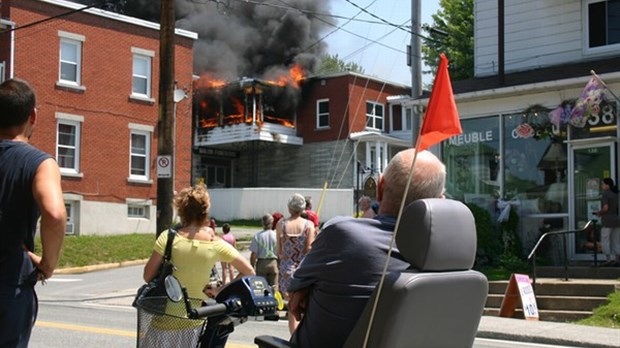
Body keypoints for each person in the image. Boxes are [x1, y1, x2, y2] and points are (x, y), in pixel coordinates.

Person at [287, 149, 446, 348]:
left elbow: (293, 294)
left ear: (379, 188)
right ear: (440, 203)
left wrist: (306, 288)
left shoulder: (342, 236)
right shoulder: (450, 261)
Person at [0, 78, 67, 347]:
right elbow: (54, 214)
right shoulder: (39, 163)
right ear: (33, 116)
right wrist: (48, 264)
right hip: (9, 285)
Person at [142, 185, 254, 344]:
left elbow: (147, 276)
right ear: (205, 211)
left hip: (163, 319)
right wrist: (219, 290)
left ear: (181, 210)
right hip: (195, 319)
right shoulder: (215, 243)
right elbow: (249, 271)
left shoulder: (168, 238)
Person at [277, 193, 315, 334]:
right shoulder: (308, 225)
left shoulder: (281, 224)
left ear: (289, 208)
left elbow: (279, 251)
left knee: (291, 307)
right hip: (302, 269)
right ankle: (303, 334)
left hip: (286, 268)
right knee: (304, 304)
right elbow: (309, 249)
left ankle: (293, 336)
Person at [594, 178, 620, 266]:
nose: (602, 186)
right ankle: (616, 258)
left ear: (607, 185)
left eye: (603, 184)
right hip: (616, 220)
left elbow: (605, 208)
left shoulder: (605, 194)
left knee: (605, 240)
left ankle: (608, 259)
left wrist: (599, 213)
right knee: (615, 240)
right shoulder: (615, 194)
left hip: (607, 220)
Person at [249, 214, 279, 291]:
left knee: (261, 288)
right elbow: (280, 251)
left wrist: (252, 266)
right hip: (273, 263)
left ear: (262, 223)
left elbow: (254, 254)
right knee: (274, 287)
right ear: (272, 223)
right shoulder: (276, 235)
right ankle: (275, 301)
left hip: (261, 264)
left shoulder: (257, 236)